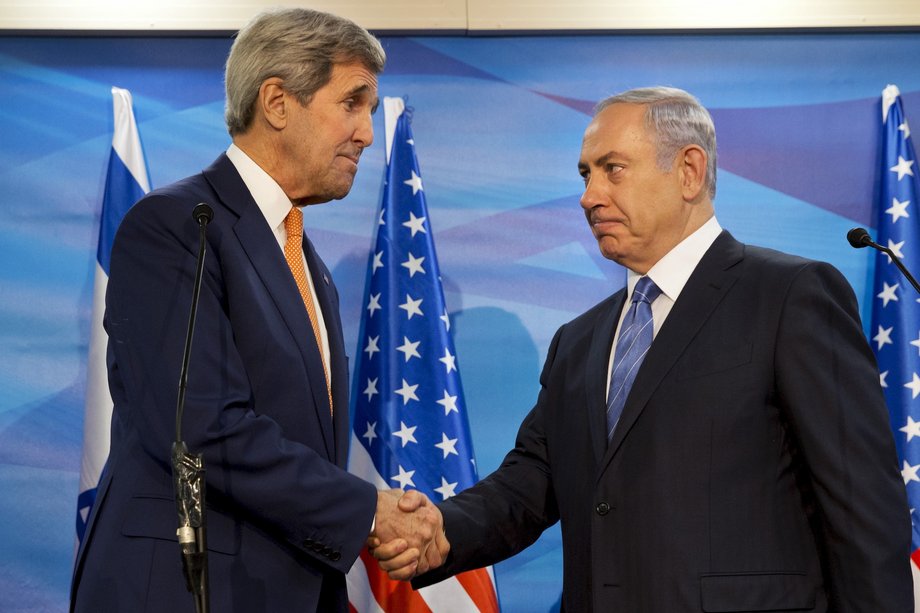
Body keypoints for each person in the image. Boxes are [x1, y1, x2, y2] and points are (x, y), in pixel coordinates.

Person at [372, 86, 913, 611]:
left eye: (613, 169)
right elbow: (532, 481)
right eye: (586, 174)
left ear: (689, 171)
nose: (589, 195)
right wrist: (440, 530)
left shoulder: (789, 296)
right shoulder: (578, 342)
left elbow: (861, 507)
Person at [70, 8, 445, 612]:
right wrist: (367, 512)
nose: (367, 134)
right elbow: (201, 427)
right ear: (277, 102)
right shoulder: (177, 225)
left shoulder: (303, 257)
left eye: (370, 112)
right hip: (185, 588)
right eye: (352, 103)